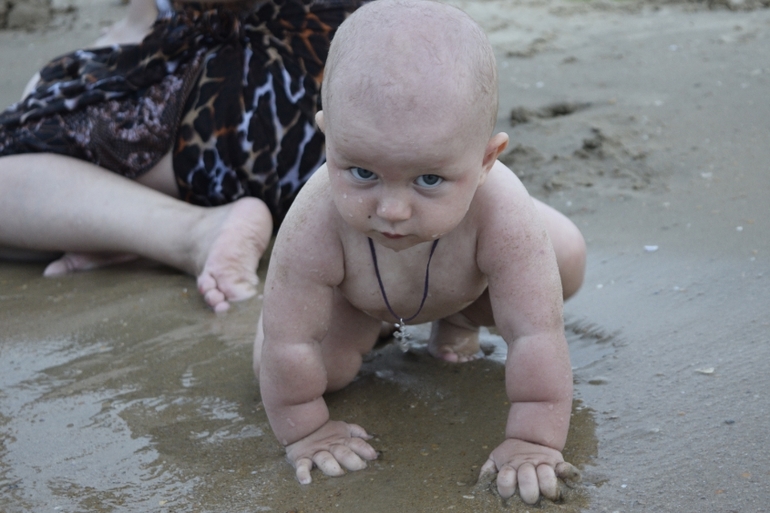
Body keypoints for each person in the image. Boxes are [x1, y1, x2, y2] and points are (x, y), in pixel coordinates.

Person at [253, 0, 587, 504]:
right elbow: (289, 341)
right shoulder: (314, 217)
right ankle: (379, 325)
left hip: (466, 284)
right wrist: (305, 429)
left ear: (486, 160)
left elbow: (534, 335)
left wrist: (534, 440)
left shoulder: (502, 212)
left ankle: (458, 321)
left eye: (428, 179)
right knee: (297, 367)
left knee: (562, 256)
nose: (392, 210)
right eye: (362, 172)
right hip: (357, 298)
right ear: (328, 140)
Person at [0, 0, 365, 312]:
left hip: (255, 104)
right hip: (354, 96)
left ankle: (194, 233)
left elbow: (142, 32)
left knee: (27, 130)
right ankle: (120, 232)